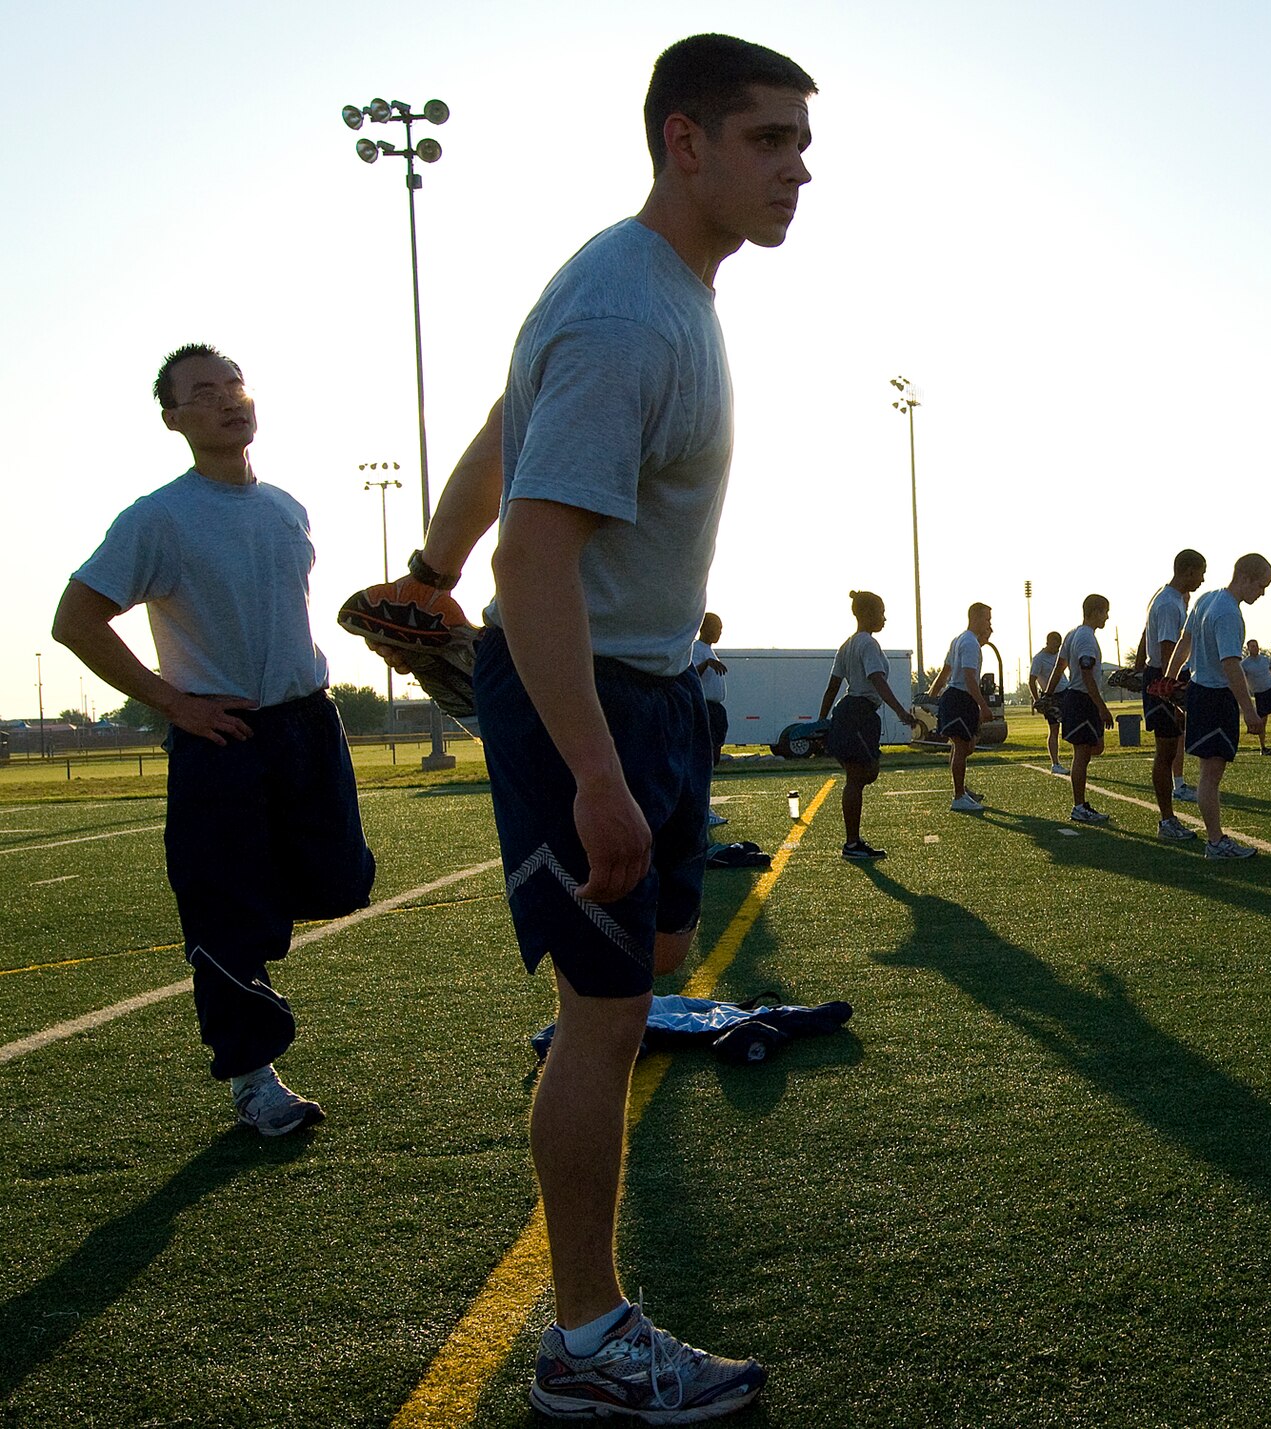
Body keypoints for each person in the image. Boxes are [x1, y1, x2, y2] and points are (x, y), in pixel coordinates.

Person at [464, 35, 814, 1421]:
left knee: (655, 962)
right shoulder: (628, 312)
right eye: (769, 139)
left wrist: (428, 558)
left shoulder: (671, 289)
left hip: (654, 684)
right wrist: (597, 776)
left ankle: (588, 1059)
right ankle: (586, 1341)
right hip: (588, 695)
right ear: (686, 142)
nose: (798, 168)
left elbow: (509, 422)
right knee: (603, 1015)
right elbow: (532, 563)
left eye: (801, 142)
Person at [51, 343, 376, 1138]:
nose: (229, 399)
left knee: (339, 881)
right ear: (174, 420)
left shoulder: (287, 507)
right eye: (204, 391)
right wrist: (174, 704)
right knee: (227, 912)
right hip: (222, 736)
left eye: (235, 384)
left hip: (307, 727)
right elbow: (75, 619)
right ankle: (254, 1080)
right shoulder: (158, 517)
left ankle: (254, 945)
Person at [1166, 553, 1271, 858]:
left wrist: (1169, 679)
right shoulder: (1228, 612)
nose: (1262, 593)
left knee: (1207, 773)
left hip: (1201, 692)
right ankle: (1215, 842)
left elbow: (1184, 642)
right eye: (1261, 585)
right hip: (1215, 696)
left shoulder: (1206, 599)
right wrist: (1249, 710)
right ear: (1246, 578)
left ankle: (1215, 840)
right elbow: (1230, 664)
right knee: (1211, 775)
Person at [820, 590, 917, 858]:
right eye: (881, 612)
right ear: (865, 614)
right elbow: (877, 680)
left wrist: (823, 718)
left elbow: (832, 687)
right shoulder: (867, 644)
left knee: (863, 774)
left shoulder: (847, 644)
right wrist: (900, 711)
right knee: (860, 775)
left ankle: (853, 842)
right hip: (858, 713)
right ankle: (852, 844)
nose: (884, 618)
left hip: (850, 712)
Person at [1142, 549, 1206, 838]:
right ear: (1188, 570)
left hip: (1161, 677)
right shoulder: (1169, 603)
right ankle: (1167, 821)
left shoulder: (1169, 598)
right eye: (1201, 572)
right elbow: (1169, 649)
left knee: (1170, 749)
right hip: (1163, 679)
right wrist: (1173, 689)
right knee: (1165, 751)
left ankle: (1168, 817)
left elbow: (1146, 638)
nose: (1203, 579)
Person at [1053, 596, 1115, 822]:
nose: (1107, 617)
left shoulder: (1072, 634)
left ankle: (1080, 804)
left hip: (1077, 698)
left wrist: (1049, 694)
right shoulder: (1086, 638)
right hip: (1082, 700)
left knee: (1095, 748)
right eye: (1105, 612)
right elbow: (1087, 675)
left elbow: (1060, 666)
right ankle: (1079, 806)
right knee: (1082, 754)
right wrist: (1102, 707)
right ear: (1096, 612)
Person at [931, 603, 994, 813]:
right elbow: (968, 677)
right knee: (961, 747)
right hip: (960, 698)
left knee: (965, 746)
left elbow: (946, 670)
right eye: (987, 619)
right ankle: (958, 795)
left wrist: (932, 694)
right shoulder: (969, 642)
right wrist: (983, 706)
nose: (989, 623)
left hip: (957, 697)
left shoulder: (960, 639)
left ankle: (961, 790)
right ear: (975, 618)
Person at [690, 612, 729, 827]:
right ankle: (702, 809)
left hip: (715, 710)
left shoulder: (709, 651)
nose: (720, 633)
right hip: (704, 708)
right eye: (717, 628)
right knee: (704, 759)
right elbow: (691, 675)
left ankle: (704, 806)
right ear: (705, 628)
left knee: (713, 760)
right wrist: (707, 664)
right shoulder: (697, 649)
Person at [1027, 630, 1068, 774]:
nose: (1057, 648)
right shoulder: (1039, 659)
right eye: (1055, 645)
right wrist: (1037, 701)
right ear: (1048, 642)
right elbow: (1032, 681)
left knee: (1072, 725)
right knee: (1054, 729)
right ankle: (1055, 764)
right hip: (1051, 697)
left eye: (1059, 646)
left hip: (1065, 692)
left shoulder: (1059, 655)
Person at [1241, 639, 1271, 754]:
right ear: (1248, 648)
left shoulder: (1265, 660)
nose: (1255, 648)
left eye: (1256, 646)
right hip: (1260, 694)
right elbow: (1241, 679)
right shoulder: (1245, 664)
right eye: (1252, 646)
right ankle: (1263, 747)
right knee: (1263, 721)